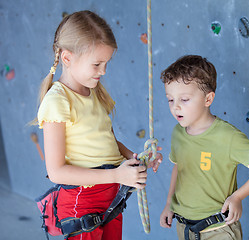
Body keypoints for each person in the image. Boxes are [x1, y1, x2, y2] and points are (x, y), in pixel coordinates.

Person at [35, 10, 162, 240]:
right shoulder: (57, 101)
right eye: (97, 64)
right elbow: (56, 172)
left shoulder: (94, 92)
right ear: (67, 58)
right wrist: (116, 176)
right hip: (82, 202)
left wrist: (135, 159)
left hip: (110, 196)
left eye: (106, 63)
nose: (103, 71)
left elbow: (108, 142)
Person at [159, 55, 249, 240]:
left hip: (219, 229)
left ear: (208, 99)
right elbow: (178, 168)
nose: (176, 107)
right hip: (185, 228)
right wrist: (169, 204)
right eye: (170, 100)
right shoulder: (178, 133)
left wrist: (237, 197)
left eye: (184, 99)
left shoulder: (227, 137)